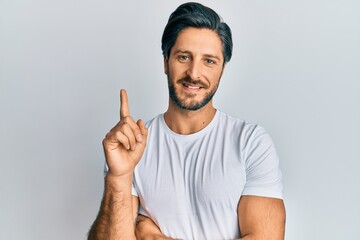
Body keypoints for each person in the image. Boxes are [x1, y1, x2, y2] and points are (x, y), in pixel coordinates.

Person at [88, 2, 286, 239]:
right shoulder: (133, 145)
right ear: (165, 62)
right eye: (184, 57)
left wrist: (155, 237)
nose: (194, 73)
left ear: (222, 70)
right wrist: (118, 177)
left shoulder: (250, 143)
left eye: (209, 61)